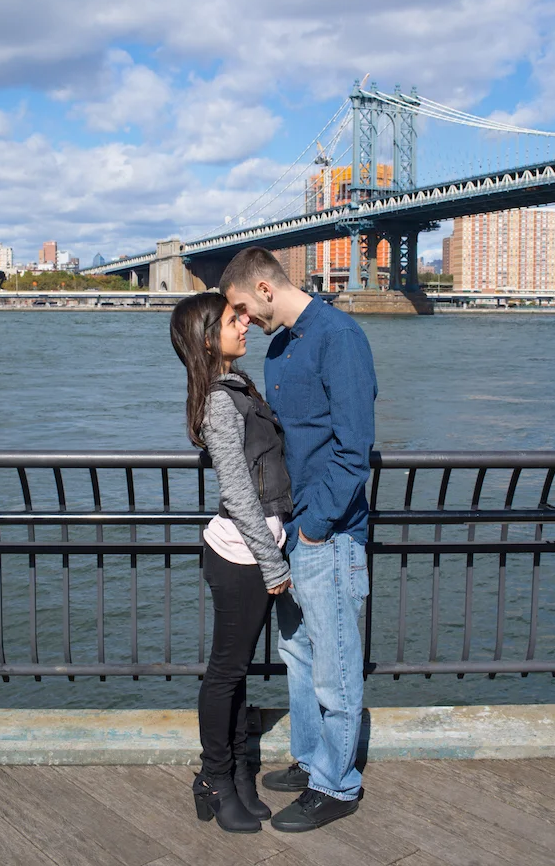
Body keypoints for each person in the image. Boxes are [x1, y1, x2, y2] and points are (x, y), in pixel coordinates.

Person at [220, 247, 377, 833]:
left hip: (327, 533)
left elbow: (354, 447)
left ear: (265, 289)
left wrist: (314, 527)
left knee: (334, 666)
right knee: (299, 655)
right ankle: (312, 761)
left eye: (241, 307)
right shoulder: (281, 346)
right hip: (292, 530)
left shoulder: (340, 337)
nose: (242, 321)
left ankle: (337, 785)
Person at [170, 292, 293, 834]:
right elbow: (239, 493)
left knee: (236, 671)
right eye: (231, 320)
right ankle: (214, 780)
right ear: (206, 340)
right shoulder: (222, 401)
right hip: (242, 554)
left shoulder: (236, 385)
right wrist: (272, 563)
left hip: (253, 548)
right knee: (224, 674)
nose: (244, 323)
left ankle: (240, 773)